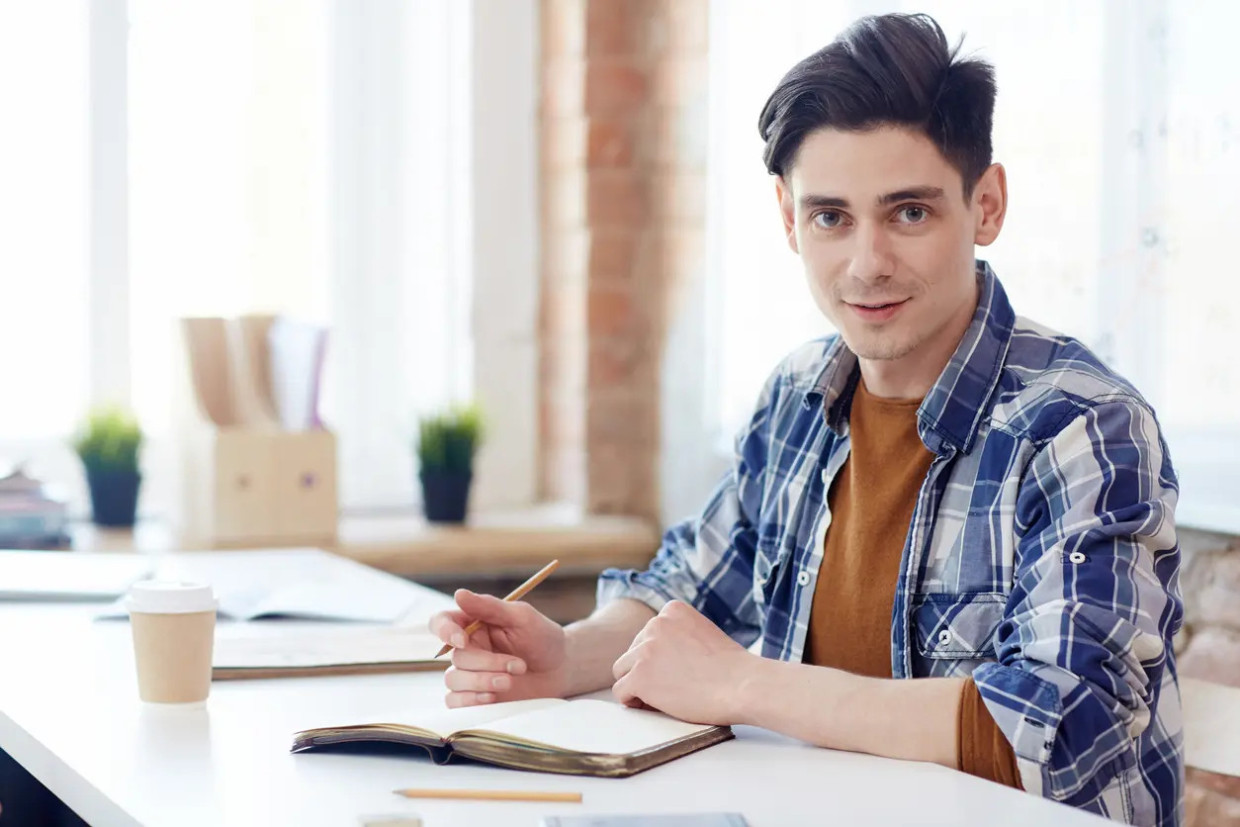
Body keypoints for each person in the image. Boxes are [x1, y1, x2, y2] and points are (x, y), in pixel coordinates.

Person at [429, 13, 1183, 825]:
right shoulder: (797, 394)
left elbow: (1061, 729)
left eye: (909, 214)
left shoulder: (1083, 427)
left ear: (987, 204)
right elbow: (688, 585)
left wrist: (747, 684)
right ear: (789, 218)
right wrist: (566, 655)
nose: (865, 263)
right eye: (831, 217)